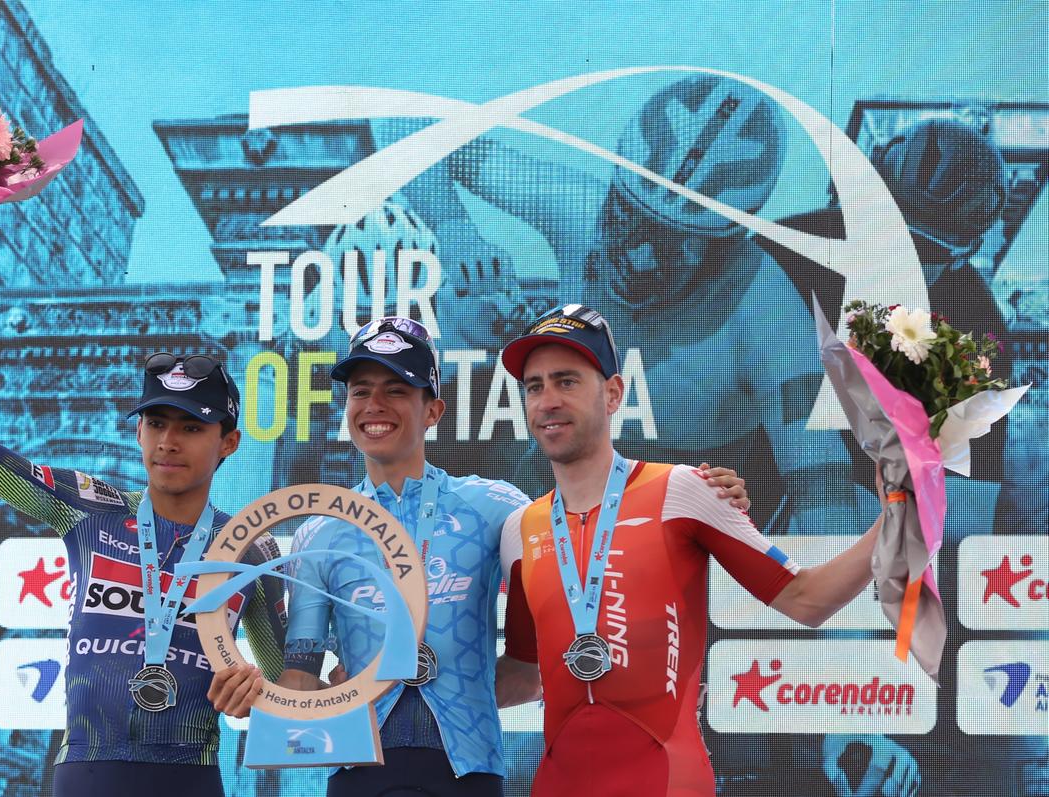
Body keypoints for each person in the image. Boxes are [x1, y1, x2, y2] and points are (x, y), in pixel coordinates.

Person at [209, 314, 750, 795]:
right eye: (360, 391)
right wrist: (269, 699)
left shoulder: (494, 507)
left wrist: (709, 495)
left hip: (468, 772)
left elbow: (582, 586)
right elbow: (302, 674)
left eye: (397, 390)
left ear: (433, 409)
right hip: (359, 774)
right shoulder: (320, 533)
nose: (375, 405)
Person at [0, 241, 287, 797]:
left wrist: (259, 694)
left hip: (191, 778)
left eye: (190, 427)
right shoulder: (88, 507)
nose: (167, 441)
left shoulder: (251, 550)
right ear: (137, 431)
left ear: (228, 441)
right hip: (86, 773)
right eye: (156, 423)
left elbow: (291, 696)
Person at [399, 74, 878, 535]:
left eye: (676, 242)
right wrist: (455, 228)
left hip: (681, 514)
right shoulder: (578, 206)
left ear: (728, 246)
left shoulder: (768, 310)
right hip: (565, 477)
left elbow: (821, 485)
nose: (640, 256)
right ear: (614, 190)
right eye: (628, 218)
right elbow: (414, 132)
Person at [496, 303, 889, 797]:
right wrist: (397, 684)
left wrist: (894, 518)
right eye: (535, 386)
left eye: (567, 381)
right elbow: (524, 676)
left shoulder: (685, 490)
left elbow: (807, 599)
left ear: (614, 393)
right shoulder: (520, 528)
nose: (548, 400)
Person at [753, 117, 1018, 797]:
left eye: (917, 246)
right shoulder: (781, 253)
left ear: (955, 256)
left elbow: (958, 524)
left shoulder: (975, 328)